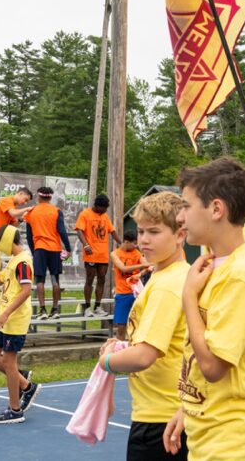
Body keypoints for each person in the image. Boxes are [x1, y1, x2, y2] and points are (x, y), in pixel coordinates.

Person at [163, 157, 245, 460]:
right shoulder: (214, 265)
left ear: (216, 209)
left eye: (186, 206)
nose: (180, 217)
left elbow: (214, 367)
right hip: (212, 438)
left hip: (239, 446)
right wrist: (187, 408)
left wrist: (189, 297)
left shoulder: (241, 274)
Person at [101, 192, 190, 461]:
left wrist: (107, 361)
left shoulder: (166, 285)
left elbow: (144, 356)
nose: (143, 240)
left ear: (180, 235)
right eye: (140, 231)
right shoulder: (171, 276)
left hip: (160, 418)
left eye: (154, 231)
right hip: (169, 411)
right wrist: (124, 346)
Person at [0, 225, 40, 424]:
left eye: (0, 243)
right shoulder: (13, 260)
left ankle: (15, 410)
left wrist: (6, 313)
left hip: (14, 320)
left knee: (10, 363)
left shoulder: (23, 262)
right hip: (5, 319)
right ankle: (25, 385)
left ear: (8, 241)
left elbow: (26, 290)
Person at [24, 187, 73, 320]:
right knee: (55, 279)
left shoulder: (31, 212)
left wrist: (34, 251)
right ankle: (55, 310)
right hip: (55, 249)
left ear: (38, 197)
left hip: (39, 248)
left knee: (39, 279)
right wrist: (68, 249)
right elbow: (62, 231)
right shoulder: (56, 211)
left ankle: (42, 310)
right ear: (50, 197)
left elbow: (29, 236)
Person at [75, 194, 123, 318]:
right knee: (90, 280)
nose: (105, 210)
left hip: (103, 254)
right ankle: (87, 308)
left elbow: (112, 231)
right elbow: (79, 230)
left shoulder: (105, 216)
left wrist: (121, 243)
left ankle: (97, 306)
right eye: (104, 208)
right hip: (91, 253)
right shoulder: (85, 214)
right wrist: (85, 245)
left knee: (102, 279)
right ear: (97, 206)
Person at [111, 231, 149, 340]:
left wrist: (140, 274)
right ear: (126, 242)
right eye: (134, 243)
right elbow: (123, 268)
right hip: (122, 293)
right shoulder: (115, 254)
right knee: (121, 326)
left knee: (138, 323)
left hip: (136, 293)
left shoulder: (136, 253)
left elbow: (148, 267)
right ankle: (120, 346)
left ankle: (136, 346)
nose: (136, 246)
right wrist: (143, 265)